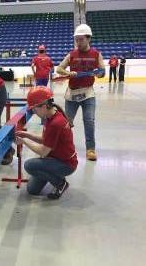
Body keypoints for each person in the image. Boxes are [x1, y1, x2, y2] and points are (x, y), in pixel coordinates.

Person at [15, 86, 77, 199]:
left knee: (29, 165)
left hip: (66, 164)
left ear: (43, 106)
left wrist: (24, 141)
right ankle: (54, 174)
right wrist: (27, 135)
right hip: (57, 159)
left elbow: (43, 152)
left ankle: (60, 183)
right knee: (32, 190)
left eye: (34, 109)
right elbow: (46, 140)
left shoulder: (55, 123)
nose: (33, 112)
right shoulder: (51, 116)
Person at [56, 24, 105, 161]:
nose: (78, 42)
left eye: (81, 39)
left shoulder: (96, 54)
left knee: (89, 121)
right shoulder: (72, 54)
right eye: (76, 39)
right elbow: (59, 68)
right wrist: (68, 72)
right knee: (66, 122)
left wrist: (99, 74)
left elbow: (102, 71)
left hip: (88, 93)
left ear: (88, 39)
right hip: (72, 94)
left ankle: (90, 149)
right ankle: (63, 146)